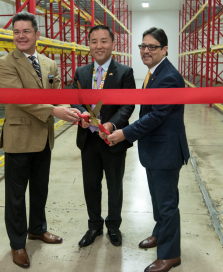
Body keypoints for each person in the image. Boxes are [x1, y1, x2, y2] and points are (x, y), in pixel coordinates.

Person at [0, 11, 80, 269]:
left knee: (40, 190)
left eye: (26, 31)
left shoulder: (49, 63)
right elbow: (19, 98)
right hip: (19, 138)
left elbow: (56, 96)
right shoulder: (4, 63)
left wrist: (72, 111)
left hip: (44, 138)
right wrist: (55, 111)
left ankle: (37, 229)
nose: (21, 36)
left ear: (36, 34)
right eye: (16, 32)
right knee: (16, 195)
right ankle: (18, 243)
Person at [107, 27, 190, 272]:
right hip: (155, 150)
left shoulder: (168, 77)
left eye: (152, 47)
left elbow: (155, 116)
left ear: (165, 49)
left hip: (166, 151)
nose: (146, 51)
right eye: (143, 46)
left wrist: (124, 133)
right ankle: (160, 232)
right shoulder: (154, 72)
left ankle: (170, 254)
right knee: (157, 198)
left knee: (166, 203)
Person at [71, 25, 136, 248]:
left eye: (104, 41)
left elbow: (128, 104)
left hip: (113, 139)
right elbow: (74, 98)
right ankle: (94, 226)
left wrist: (111, 123)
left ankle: (114, 226)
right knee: (91, 184)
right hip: (88, 139)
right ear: (88, 45)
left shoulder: (124, 72)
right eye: (94, 41)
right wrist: (81, 114)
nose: (99, 46)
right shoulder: (81, 72)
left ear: (113, 44)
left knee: (114, 185)